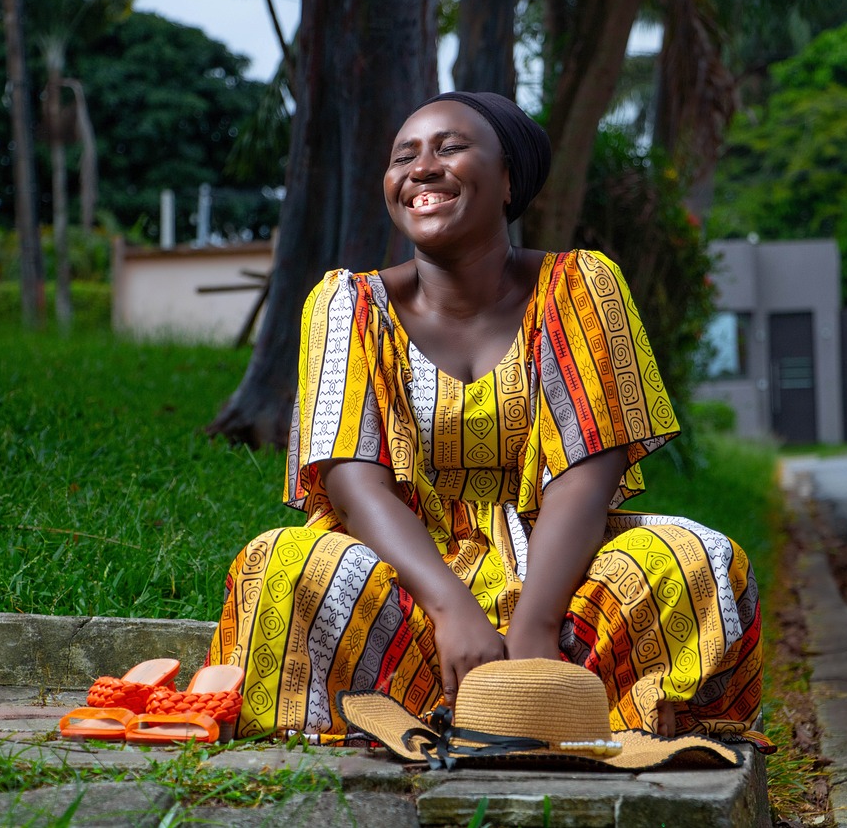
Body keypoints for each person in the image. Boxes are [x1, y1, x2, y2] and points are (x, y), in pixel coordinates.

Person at [207, 91, 766, 748]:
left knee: (694, 557)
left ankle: (543, 704)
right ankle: (464, 704)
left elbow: (587, 470)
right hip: (406, 586)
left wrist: (532, 625)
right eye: (404, 156)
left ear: (507, 179)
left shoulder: (581, 285)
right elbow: (355, 484)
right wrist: (451, 609)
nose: (421, 167)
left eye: (449, 147)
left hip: (560, 573)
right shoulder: (346, 303)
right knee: (285, 562)